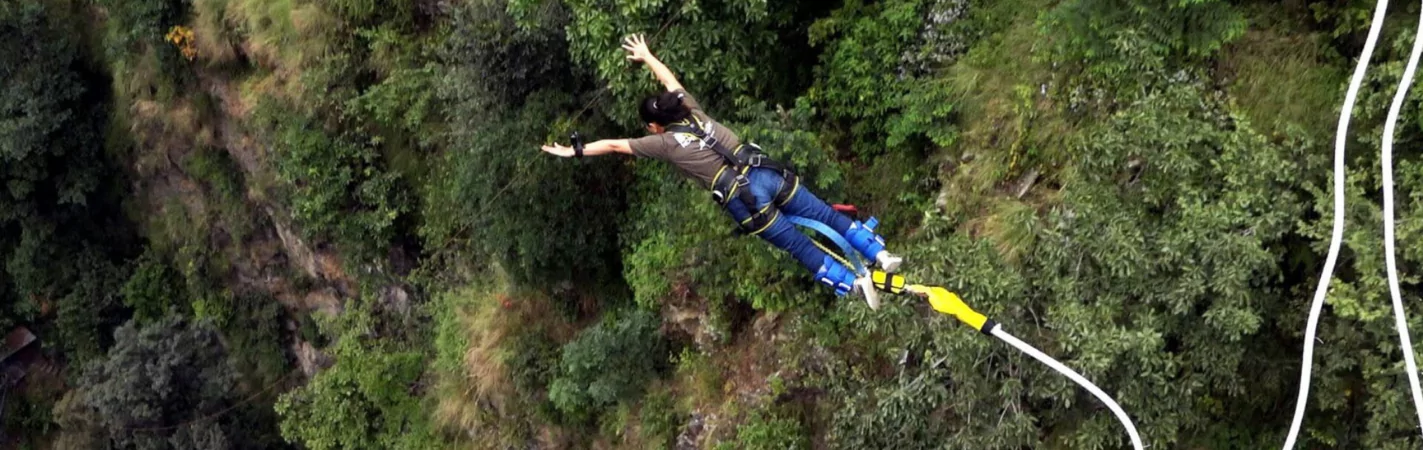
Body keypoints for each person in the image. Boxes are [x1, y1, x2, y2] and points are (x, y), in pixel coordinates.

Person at [539, 34, 903, 308]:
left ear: (655, 126)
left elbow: (616, 144)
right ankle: (880, 255)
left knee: (798, 245)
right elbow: (669, 82)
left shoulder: (664, 143)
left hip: (744, 199)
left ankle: (855, 285)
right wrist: (648, 56)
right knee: (824, 213)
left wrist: (576, 151)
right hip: (768, 173)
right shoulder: (692, 109)